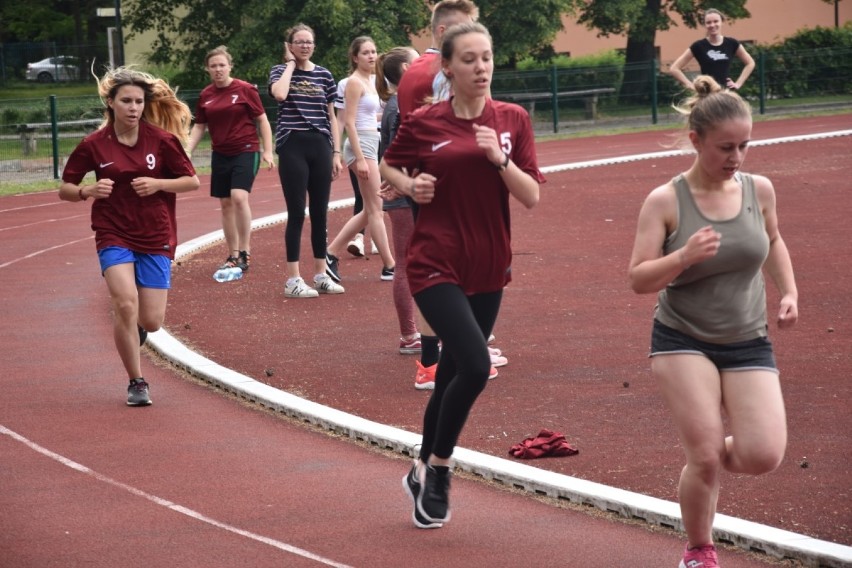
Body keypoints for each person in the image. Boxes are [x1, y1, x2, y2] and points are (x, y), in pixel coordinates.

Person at [627, 76, 798, 568]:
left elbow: (774, 239)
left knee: (763, 455)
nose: (737, 157)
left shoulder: (758, 190)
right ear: (696, 140)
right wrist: (682, 255)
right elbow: (638, 280)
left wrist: (788, 290)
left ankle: (701, 451)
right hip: (682, 339)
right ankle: (699, 550)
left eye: (745, 146)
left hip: (748, 339)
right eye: (726, 147)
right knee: (704, 457)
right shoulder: (665, 200)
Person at [380, 22, 544, 529]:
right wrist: (413, 186)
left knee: (453, 372)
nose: (481, 67)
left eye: (487, 58)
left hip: (490, 262)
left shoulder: (512, 119)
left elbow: (531, 195)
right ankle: (441, 469)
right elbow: (390, 166)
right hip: (434, 262)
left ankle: (420, 464)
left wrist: (498, 159)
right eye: (469, 59)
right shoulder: (427, 121)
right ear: (447, 67)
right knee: (474, 366)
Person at [58, 67, 200, 406]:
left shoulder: (162, 141)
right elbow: (65, 188)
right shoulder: (93, 144)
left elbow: (192, 181)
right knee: (124, 304)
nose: (134, 107)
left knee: (150, 320)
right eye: (126, 101)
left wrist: (159, 184)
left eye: (139, 101)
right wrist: (86, 191)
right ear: (111, 103)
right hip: (113, 231)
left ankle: (135, 329)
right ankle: (137, 381)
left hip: (155, 233)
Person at [395, 0, 498, 390]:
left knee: (438, 272)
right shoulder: (443, 71)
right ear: (442, 33)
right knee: (455, 273)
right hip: (449, 188)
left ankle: (440, 357)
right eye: (465, 28)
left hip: (426, 183)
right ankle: (443, 359)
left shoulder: (410, 72)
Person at [269, 23, 345, 298]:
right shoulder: (280, 71)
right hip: (293, 144)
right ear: (289, 45)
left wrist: (336, 152)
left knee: (321, 212)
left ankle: (321, 274)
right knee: (297, 211)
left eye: (309, 42)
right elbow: (279, 94)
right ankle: (293, 280)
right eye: (299, 42)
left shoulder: (324, 75)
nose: (305, 46)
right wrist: (290, 65)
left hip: (320, 144)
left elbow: (332, 116)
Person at [187, 45, 274, 277]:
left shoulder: (245, 89)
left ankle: (245, 251)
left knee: (238, 197)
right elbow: (199, 126)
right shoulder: (206, 95)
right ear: (207, 69)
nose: (218, 70)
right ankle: (233, 254)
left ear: (230, 66)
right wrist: (186, 150)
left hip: (246, 149)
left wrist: (268, 150)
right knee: (225, 204)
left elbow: (263, 121)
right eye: (213, 66)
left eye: (222, 65)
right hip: (220, 153)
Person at [324, 36, 395, 283]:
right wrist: (362, 158)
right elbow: (349, 123)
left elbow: (373, 116)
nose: (372, 56)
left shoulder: (374, 81)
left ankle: (330, 253)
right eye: (365, 52)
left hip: (372, 141)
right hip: (361, 145)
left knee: (370, 209)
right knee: (376, 207)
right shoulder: (354, 82)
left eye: (374, 51)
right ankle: (390, 266)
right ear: (355, 57)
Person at [376, 47, 422, 356]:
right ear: (407, 68)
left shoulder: (396, 104)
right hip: (405, 194)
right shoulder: (400, 105)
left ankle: (413, 334)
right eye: (418, 61)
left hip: (403, 191)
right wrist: (403, 183)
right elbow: (398, 152)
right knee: (410, 264)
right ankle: (411, 334)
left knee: (411, 263)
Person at [669, 8, 756, 92]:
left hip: (726, 94)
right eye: (708, 22)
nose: (712, 25)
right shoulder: (698, 46)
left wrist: (738, 84)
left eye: (716, 21)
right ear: (705, 25)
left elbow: (750, 63)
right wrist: (691, 86)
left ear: (722, 22)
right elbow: (674, 68)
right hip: (706, 96)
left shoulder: (732, 43)